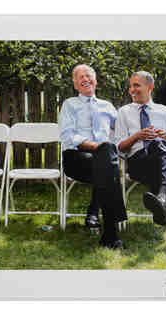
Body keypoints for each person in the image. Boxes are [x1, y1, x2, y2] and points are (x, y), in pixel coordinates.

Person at [115, 71, 166, 255]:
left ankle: (162, 199)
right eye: (131, 86)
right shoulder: (124, 112)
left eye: (136, 85)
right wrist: (137, 136)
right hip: (140, 163)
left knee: (162, 147)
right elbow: (119, 147)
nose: (132, 90)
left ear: (150, 87)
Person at [58, 64, 127, 249]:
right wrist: (96, 146)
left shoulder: (108, 106)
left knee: (105, 161)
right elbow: (67, 136)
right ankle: (109, 221)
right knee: (107, 161)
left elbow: (121, 130)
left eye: (89, 75)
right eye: (80, 77)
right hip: (76, 157)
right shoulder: (69, 105)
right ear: (75, 84)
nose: (85, 79)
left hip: (102, 159)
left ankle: (109, 233)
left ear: (95, 81)